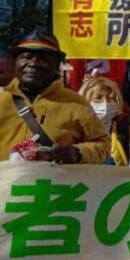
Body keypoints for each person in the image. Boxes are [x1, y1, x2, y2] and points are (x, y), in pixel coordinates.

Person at [0, 31, 108, 164]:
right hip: (6, 184)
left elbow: (104, 145)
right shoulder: (2, 101)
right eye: (27, 57)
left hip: (51, 183)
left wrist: (78, 153)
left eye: (43, 59)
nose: (33, 63)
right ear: (15, 62)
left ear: (57, 66)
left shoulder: (76, 104)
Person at [79, 76, 130, 166]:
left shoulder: (128, 132)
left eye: (111, 99)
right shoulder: (72, 133)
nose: (105, 103)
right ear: (84, 101)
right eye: (98, 98)